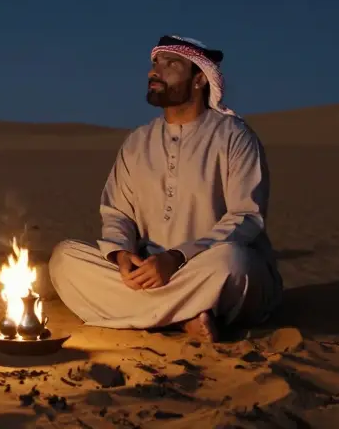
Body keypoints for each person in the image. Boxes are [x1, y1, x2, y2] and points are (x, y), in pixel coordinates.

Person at [48, 35, 282, 342]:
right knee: (64, 259)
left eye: (171, 64)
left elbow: (246, 217)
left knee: (233, 262)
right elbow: (118, 212)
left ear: (199, 80)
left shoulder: (234, 137)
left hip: (205, 269)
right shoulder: (137, 141)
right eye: (155, 63)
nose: (154, 72)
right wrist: (121, 255)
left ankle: (151, 314)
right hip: (149, 274)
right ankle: (186, 316)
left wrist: (177, 258)